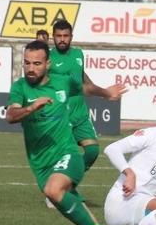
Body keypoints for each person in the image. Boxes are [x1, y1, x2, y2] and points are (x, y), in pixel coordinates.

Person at [6, 40, 148, 225]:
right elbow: (11, 114)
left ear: (47, 64)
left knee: (53, 190)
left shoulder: (62, 80)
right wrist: (32, 107)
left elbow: (84, 87)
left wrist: (106, 93)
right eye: (27, 63)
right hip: (42, 165)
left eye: (37, 63)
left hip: (69, 154)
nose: (31, 68)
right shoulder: (19, 88)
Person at [49, 19, 122, 171]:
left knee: (92, 151)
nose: (62, 39)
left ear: (71, 36)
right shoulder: (48, 59)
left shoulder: (78, 54)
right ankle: (60, 186)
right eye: (58, 36)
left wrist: (101, 93)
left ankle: (70, 180)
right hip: (60, 117)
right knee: (65, 156)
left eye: (66, 35)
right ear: (53, 37)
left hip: (80, 114)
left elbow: (82, 77)